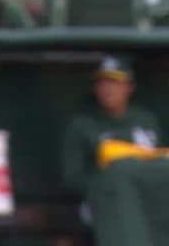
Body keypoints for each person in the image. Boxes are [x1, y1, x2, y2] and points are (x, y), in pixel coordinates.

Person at [61, 56, 168, 246]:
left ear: (129, 87)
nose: (107, 89)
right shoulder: (82, 125)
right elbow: (72, 179)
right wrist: (104, 180)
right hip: (104, 199)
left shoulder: (146, 120)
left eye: (115, 82)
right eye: (102, 83)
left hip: (150, 198)